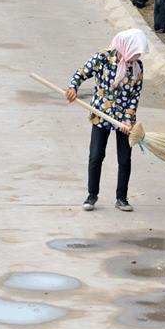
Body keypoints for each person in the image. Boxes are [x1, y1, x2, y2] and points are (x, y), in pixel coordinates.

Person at [66, 28, 150, 212]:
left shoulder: (137, 67)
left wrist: (128, 120)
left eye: (139, 53)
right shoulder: (103, 57)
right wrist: (73, 88)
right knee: (96, 155)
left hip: (124, 122)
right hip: (101, 114)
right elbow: (82, 72)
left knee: (125, 159)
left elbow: (134, 96)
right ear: (126, 46)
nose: (136, 56)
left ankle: (121, 198)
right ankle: (92, 195)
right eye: (135, 52)